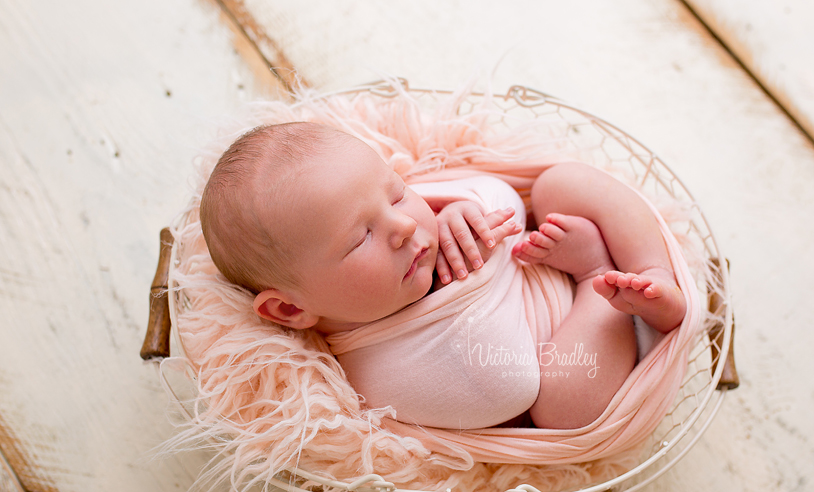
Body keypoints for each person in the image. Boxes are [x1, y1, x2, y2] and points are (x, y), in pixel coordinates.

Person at [200, 121, 686, 429]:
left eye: (394, 195)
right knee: (565, 411)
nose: (405, 225)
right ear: (290, 307)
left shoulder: (415, 232)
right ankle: (600, 275)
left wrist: (460, 209)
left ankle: (654, 274)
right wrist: (585, 272)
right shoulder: (377, 370)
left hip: (545, 256)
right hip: (595, 349)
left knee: (561, 182)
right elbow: (510, 390)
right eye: (360, 238)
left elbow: (502, 198)